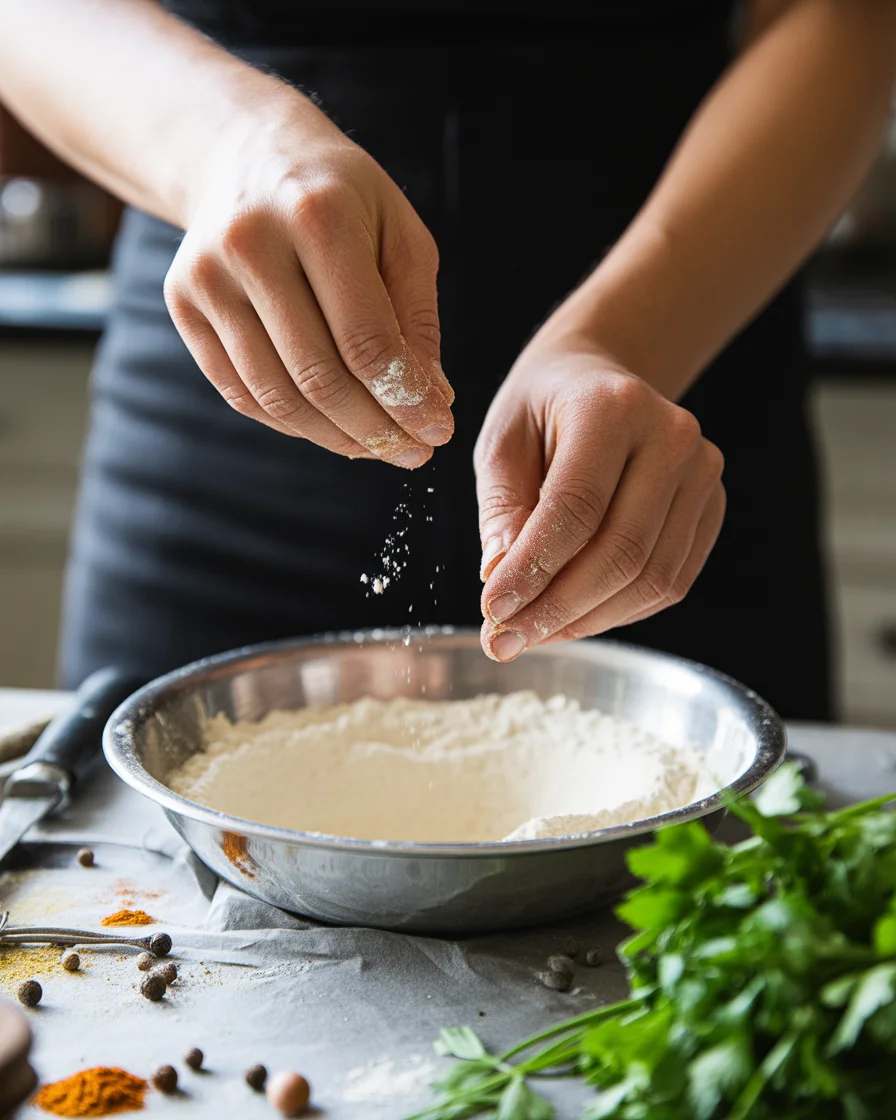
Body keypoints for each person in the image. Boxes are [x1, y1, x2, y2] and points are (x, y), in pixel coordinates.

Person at [1, 0, 894, 720]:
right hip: (228, 370)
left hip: (674, 361)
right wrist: (229, 143)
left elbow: (843, 17)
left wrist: (624, 339)